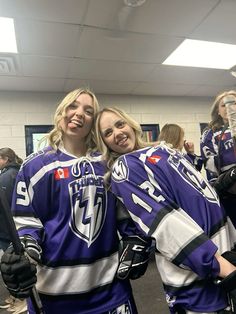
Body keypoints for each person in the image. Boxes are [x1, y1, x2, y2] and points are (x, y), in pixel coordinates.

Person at [0, 88, 144, 314]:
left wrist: (135, 237)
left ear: (93, 122)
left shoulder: (108, 163)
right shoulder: (35, 166)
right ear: (61, 113)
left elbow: (126, 213)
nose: (79, 114)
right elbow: (27, 223)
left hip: (111, 292)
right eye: (73, 106)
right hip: (55, 297)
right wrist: (25, 254)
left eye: (88, 111)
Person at [95, 106, 236, 314]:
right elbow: (166, 224)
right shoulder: (125, 167)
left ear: (130, 124)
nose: (117, 133)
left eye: (119, 124)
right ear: (104, 142)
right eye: (108, 133)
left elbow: (197, 195)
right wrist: (223, 267)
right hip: (201, 275)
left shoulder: (163, 150)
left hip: (223, 255)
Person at [200, 90, 236, 228]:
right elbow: (210, 165)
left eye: (234, 103)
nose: (230, 107)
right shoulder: (210, 133)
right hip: (229, 192)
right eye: (224, 105)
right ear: (218, 111)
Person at [0, 148, 27, 314]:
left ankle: (22, 298)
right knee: (18, 263)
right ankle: (18, 297)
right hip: (18, 227)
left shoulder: (6, 177)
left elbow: (6, 208)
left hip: (9, 229)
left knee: (13, 265)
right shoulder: (19, 172)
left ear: (5, 158)